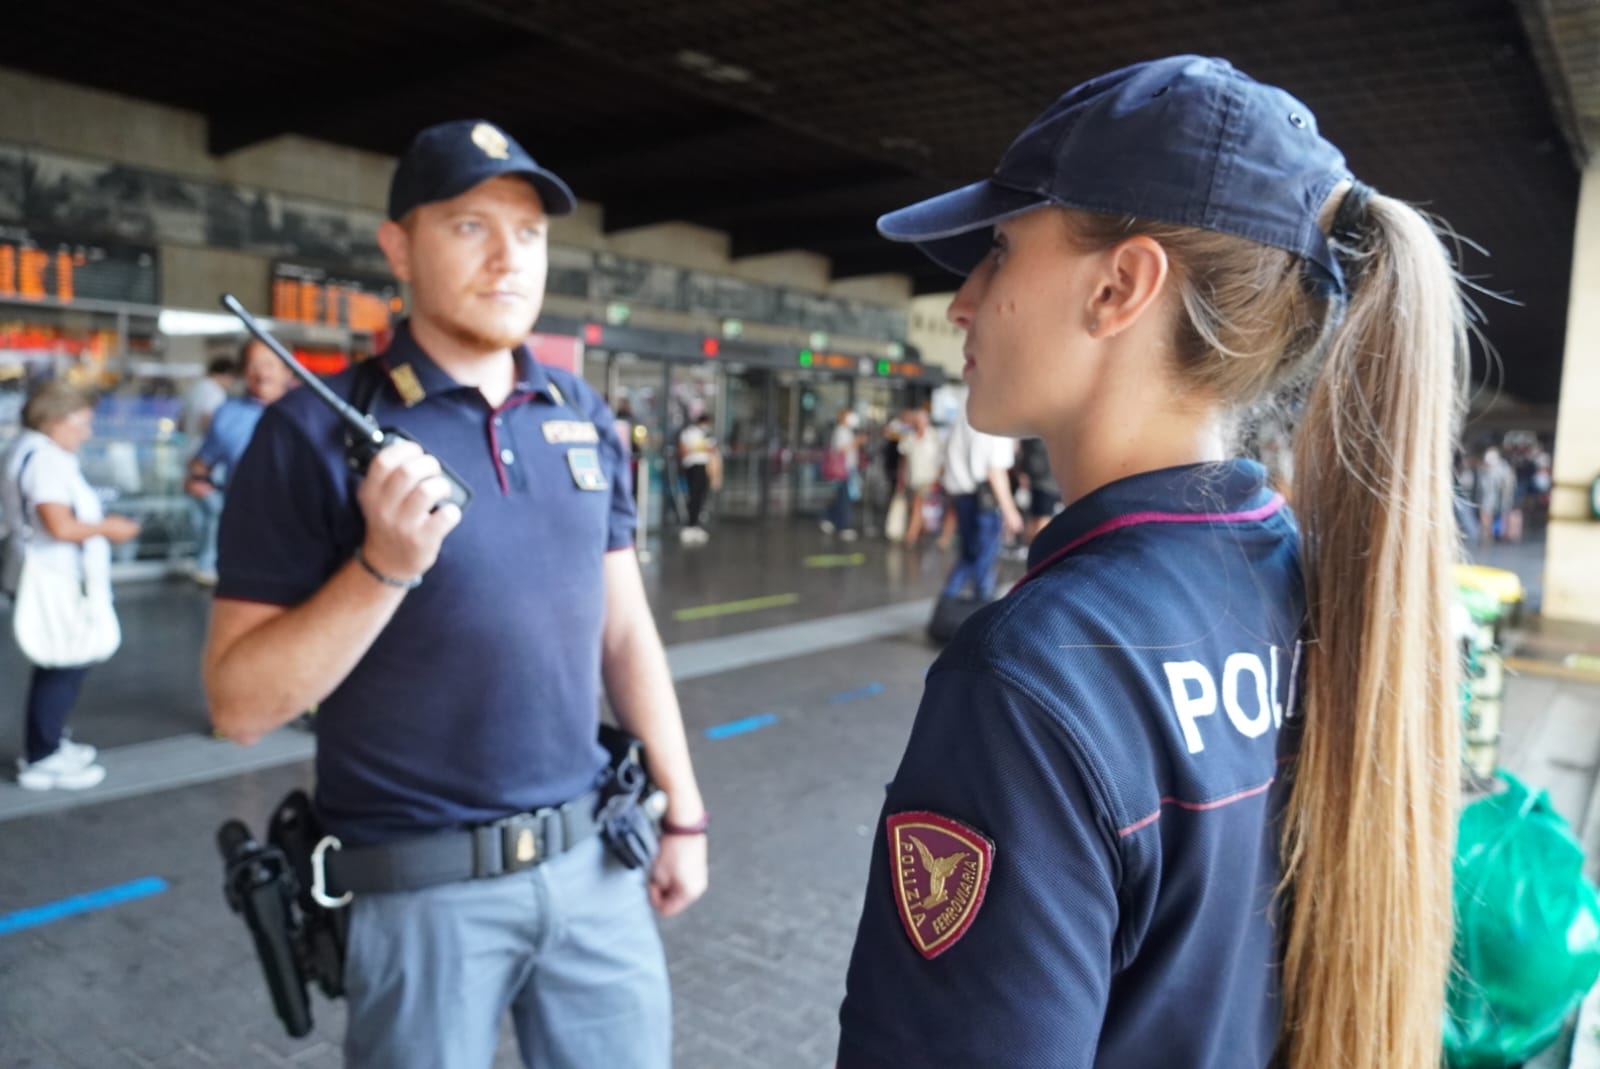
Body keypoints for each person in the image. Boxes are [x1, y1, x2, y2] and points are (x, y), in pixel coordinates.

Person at [837, 56, 1465, 1069]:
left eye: (997, 250)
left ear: (1119, 286)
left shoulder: (1031, 680)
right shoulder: (1323, 588)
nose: (962, 301)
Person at [202, 119, 708, 1068]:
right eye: (470, 226)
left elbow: (626, 631)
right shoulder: (311, 434)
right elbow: (238, 705)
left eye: (530, 232)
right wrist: (383, 564)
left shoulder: (583, 415)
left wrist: (683, 810)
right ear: (399, 245)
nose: (509, 257)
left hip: (596, 861)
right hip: (418, 895)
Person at [1, 382, 140, 790]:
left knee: (58, 662)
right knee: (65, 663)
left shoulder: (28, 450)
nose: (87, 432)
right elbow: (59, 525)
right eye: (82, 422)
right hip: (55, 576)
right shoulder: (46, 461)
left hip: (43, 572)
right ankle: (42, 755)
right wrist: (107, 529)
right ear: (55, 420)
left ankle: (47, 742)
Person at [183, 339, 296, 585]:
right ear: (244, 372)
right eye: (254, 366)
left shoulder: (309, 412)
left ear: (288, 370)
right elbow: (203, 462)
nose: (262, 374)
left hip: (299, 535)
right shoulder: (228, 414)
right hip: (246, 533)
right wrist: (195, 481)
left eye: (270, 365)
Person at [935, 393, 1021, 602]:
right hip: (984, 500)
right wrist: (1010, 511)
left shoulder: (967, 413)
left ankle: (947, 605)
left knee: (969, 554)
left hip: (961, 494)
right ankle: (980, 610)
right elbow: (995, 471)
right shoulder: (998, 419)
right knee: (983, 558)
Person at [896, 409, 942, 545]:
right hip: (912, 478)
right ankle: (920, 529)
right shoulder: (909, 437)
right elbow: (903, 460)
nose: (919, 424)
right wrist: (901, 478)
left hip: (928, 478)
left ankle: (911, 535)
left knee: (917, 504)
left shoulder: (933, 436)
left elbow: (940, 459)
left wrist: (938, 477)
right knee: (915, 506)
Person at [822, 408, 863, 540]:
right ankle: (843, 526)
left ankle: (828, 519)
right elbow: (840, 448)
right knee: (844, 497)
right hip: (843, 469)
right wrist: (856, 442)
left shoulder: (847, 431)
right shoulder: (840, 431)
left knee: (842, 496)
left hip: (849, 468)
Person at [676, 411, 717, 544]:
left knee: (699, 495)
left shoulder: (699, 434)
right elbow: (683, 451)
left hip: (698, 467)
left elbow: (710, 449)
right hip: (694, 467)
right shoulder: (693, 433)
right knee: (695, 495)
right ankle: (691, 524)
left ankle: (694, 523)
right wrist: (700, 449)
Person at [177, 355, 236, 441]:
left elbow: (180, 424)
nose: (231, 382)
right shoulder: (216, 391)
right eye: (232, 378)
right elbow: (206, 419)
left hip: (187, 446)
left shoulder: (193, 388)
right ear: (226, 374)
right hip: (203, 447)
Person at [1013, 435, 1059, 543]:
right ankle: (1035, 548)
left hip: (1045, 480)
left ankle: (1033, 548)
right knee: (1039, 519)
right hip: (1042, 480)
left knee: (1038, 518)